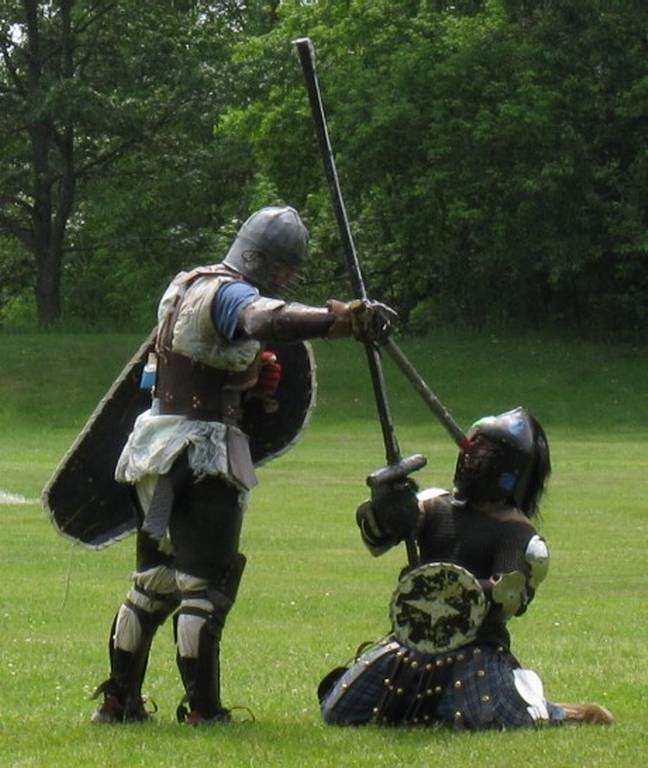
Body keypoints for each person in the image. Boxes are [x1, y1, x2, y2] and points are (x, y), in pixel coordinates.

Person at [90, 205, 396, 725]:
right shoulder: (232, 293)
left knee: (154, 582)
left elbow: (197, 365)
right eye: (284, 269)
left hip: (155, 454)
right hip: (201, 457)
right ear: (262, 260)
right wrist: (337, 321)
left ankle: (119, 703)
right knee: (203, 589)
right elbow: (262, 318)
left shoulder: (187, 284)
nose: (287, 279)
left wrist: (247, 384)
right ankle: (204, 712)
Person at [319, 407, 614, 730]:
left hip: (475, 651)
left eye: (488, 452)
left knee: (490, 722)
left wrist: (438, 590)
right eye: (476, 447)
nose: (476, 458)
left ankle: (554, 710)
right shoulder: (435, 505)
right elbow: (377, 537)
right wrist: (390, 506)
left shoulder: (518, 534)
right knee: (340, 712)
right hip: (412, 642)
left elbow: (506, 598)